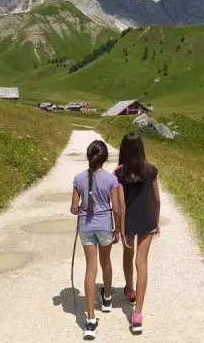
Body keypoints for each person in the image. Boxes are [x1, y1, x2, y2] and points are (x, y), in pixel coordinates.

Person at [70, 140, 123, 340]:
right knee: (106, 262)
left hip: (85, 226)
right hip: (103, 226)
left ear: (88, 156)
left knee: (90, 268)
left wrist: (83, 205)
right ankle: (107, 299)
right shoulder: (111, 180)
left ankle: (90, 319)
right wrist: (118, 229)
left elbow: (74, 208)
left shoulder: (77, 179)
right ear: (105, 159)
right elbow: (117, 208)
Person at [115, 132, 161, 335]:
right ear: (141, 148)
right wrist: (156, 221)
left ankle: (129, 289)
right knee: (142, 262)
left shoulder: (119, 173)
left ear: (124, 149)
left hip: (129, 221)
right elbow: (157, 199)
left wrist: (120, 227)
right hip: (147, 220)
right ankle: (138, 314)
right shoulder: (151, 170)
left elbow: (118, 204)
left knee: (128, 254)